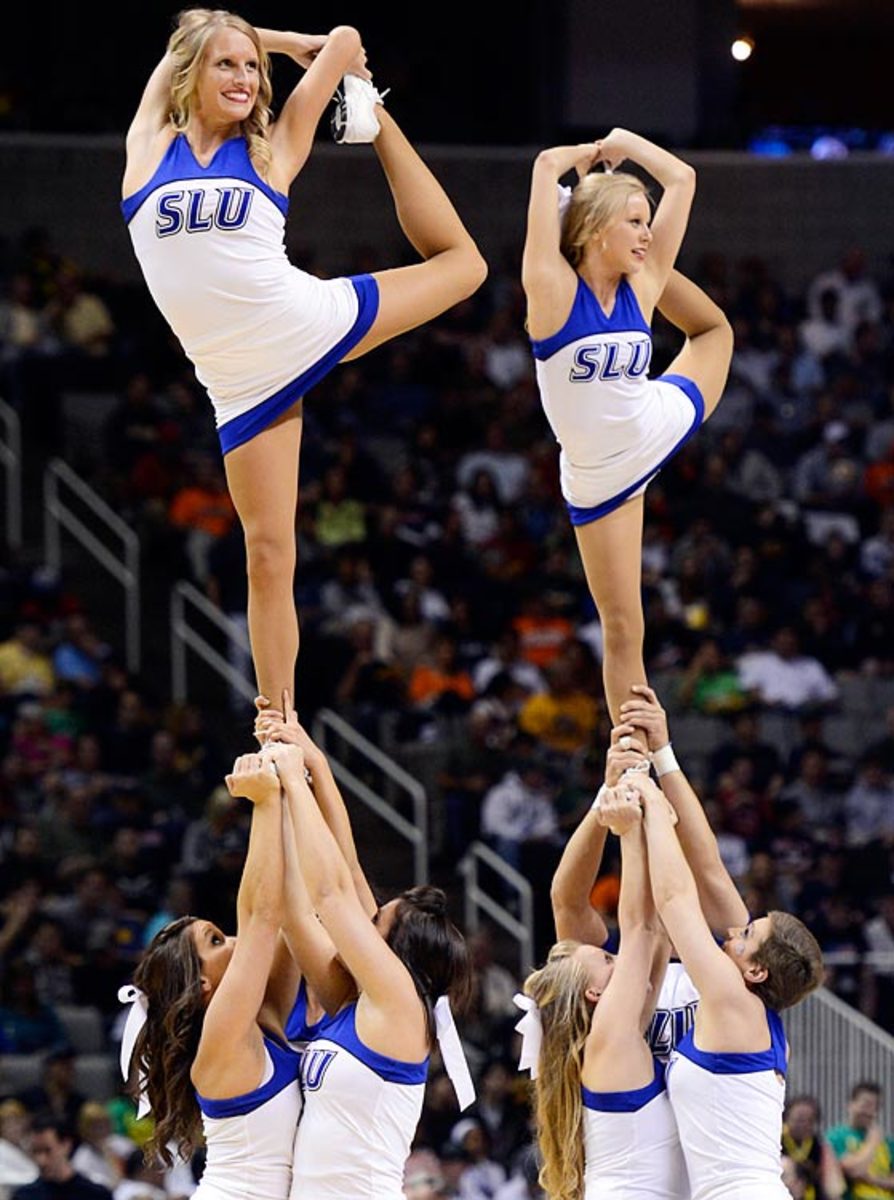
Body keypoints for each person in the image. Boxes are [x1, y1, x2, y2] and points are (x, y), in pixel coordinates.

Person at [121, 9, 486, 713]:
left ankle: (379, 126)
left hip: (305, 323)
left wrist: (315, 58)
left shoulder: (271, 148)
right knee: (268, 553)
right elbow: (190, 27)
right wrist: (279, 41)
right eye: (226, 64)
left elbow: (349, 36)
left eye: (251, 67)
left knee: (465, 267)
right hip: (237, 380)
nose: (243, 76)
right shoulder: (146, 145)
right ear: (191, 70)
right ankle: (277, 720)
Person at [521, 129, 732, 721]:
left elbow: (683, 179)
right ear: (593, 231)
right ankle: (633, 753)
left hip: (653, 422)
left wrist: (624, 143)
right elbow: (543, 163)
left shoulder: (638, 288)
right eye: (634, 223)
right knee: (623, 623)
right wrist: (580, 160)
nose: (646, 230)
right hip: (604, 475)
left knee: (716, 333)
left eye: (647, 222)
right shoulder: (552, 291)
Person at [122, 750, 353, 1197]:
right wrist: (263, 803)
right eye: (215, 941)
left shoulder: (261, 1019)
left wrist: (287, 784)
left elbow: (287, 907)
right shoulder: (220, 1039)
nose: (233, 940)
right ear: (201, 986)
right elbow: (260, 917)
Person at [262, 736, 474, 1200]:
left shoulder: (401, 1002)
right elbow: (344, 874)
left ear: (397, 953)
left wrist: (295, 781)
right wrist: (308, 767)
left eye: (377, 920)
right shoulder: (362, 1003)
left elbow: (332, 894)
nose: (367, 916)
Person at [623, 771, 824, 1200]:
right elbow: (709, 867)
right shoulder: (752, 1014)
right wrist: (662, 755)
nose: (733, 933)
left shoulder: (734, 1001)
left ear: (756, 971)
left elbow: (675, 899)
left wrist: (651, 801)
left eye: (747, 936)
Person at [519, 784, 686, 1200]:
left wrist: (642, 809)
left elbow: (657, 935)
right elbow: (641, 929)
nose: (617, 957)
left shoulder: (618, 1034)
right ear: (594, 993)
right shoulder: (610, 1037)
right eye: (608, 960)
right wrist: (631, 831)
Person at [10, 1114, 112, 1200]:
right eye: (35, 1152)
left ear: (66, 1145)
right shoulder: (24, 1196)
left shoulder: (96, 1195)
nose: (41, 1160)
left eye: (47, 1150)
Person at [826, 1081, 894, 1199]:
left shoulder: (888, 1143)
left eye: (875, 1107)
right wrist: (872, 1144)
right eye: (865, 1105)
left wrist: (871, 1179)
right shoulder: (835, 1137)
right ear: (851, 1104)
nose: (869, 1111)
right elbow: (851, 1170)